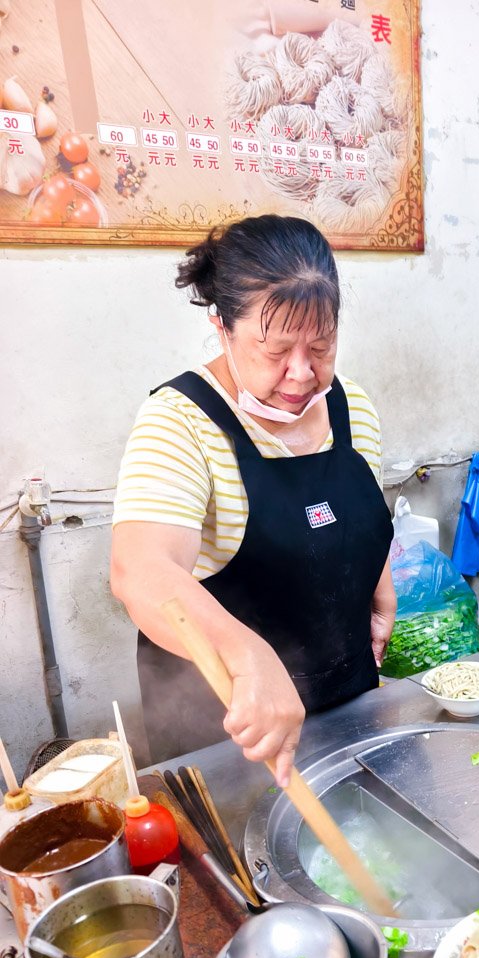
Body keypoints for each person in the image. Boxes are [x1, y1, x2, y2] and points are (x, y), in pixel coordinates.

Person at [111, 215, 395, 786]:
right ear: (223, 329)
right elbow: (140, 569)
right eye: (276, 350)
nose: (300, 373)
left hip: (344, 717)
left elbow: (357, 518)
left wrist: (379, 584)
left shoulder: (351, 408)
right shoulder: (180, 422)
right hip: (230, 741)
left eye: (321, 346)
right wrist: (247, 655)